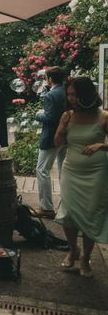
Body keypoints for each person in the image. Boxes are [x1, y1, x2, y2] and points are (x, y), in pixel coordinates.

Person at [54, 77, 108, 278]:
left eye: (74, 94)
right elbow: (58, 142)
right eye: (68, 95)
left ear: (86, 94)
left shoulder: (104, 117)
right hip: (71, 170)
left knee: (90, 214)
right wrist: (61, 128)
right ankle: (73, 249)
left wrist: (101, 145)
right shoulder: (67, 116)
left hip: (96, 173)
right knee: (68, 213)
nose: (71, 98)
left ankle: (85, 257)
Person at [34, 66, 67, 219]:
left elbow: (50, 118)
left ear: (50, 79)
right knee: (63, 171)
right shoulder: (66, 91)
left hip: (51, 137)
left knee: (42, 170)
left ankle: (47, 208)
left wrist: (38, 114)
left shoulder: (50, 95)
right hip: (66, 136)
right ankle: (66, 206)